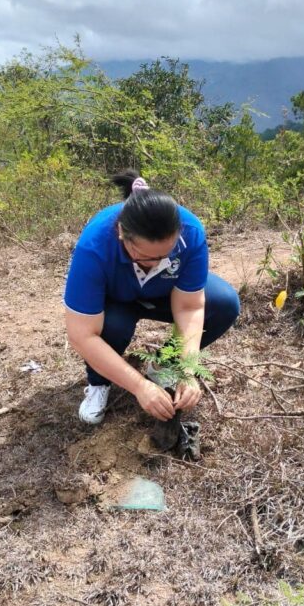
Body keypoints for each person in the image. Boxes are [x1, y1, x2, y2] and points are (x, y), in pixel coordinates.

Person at [63, 170, 240, 424]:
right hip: (116, 299)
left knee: (223, 302)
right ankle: (99, 383)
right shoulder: (94, 245)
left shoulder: (191, 233)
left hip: (164, 293)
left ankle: (165, 365)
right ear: (122, 233)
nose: (156, 264)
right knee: (113, 326)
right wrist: (139, 386)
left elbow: (190, 308)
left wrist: (187, 368)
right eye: (146, 257)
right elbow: (81, 335)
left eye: (165, 255)